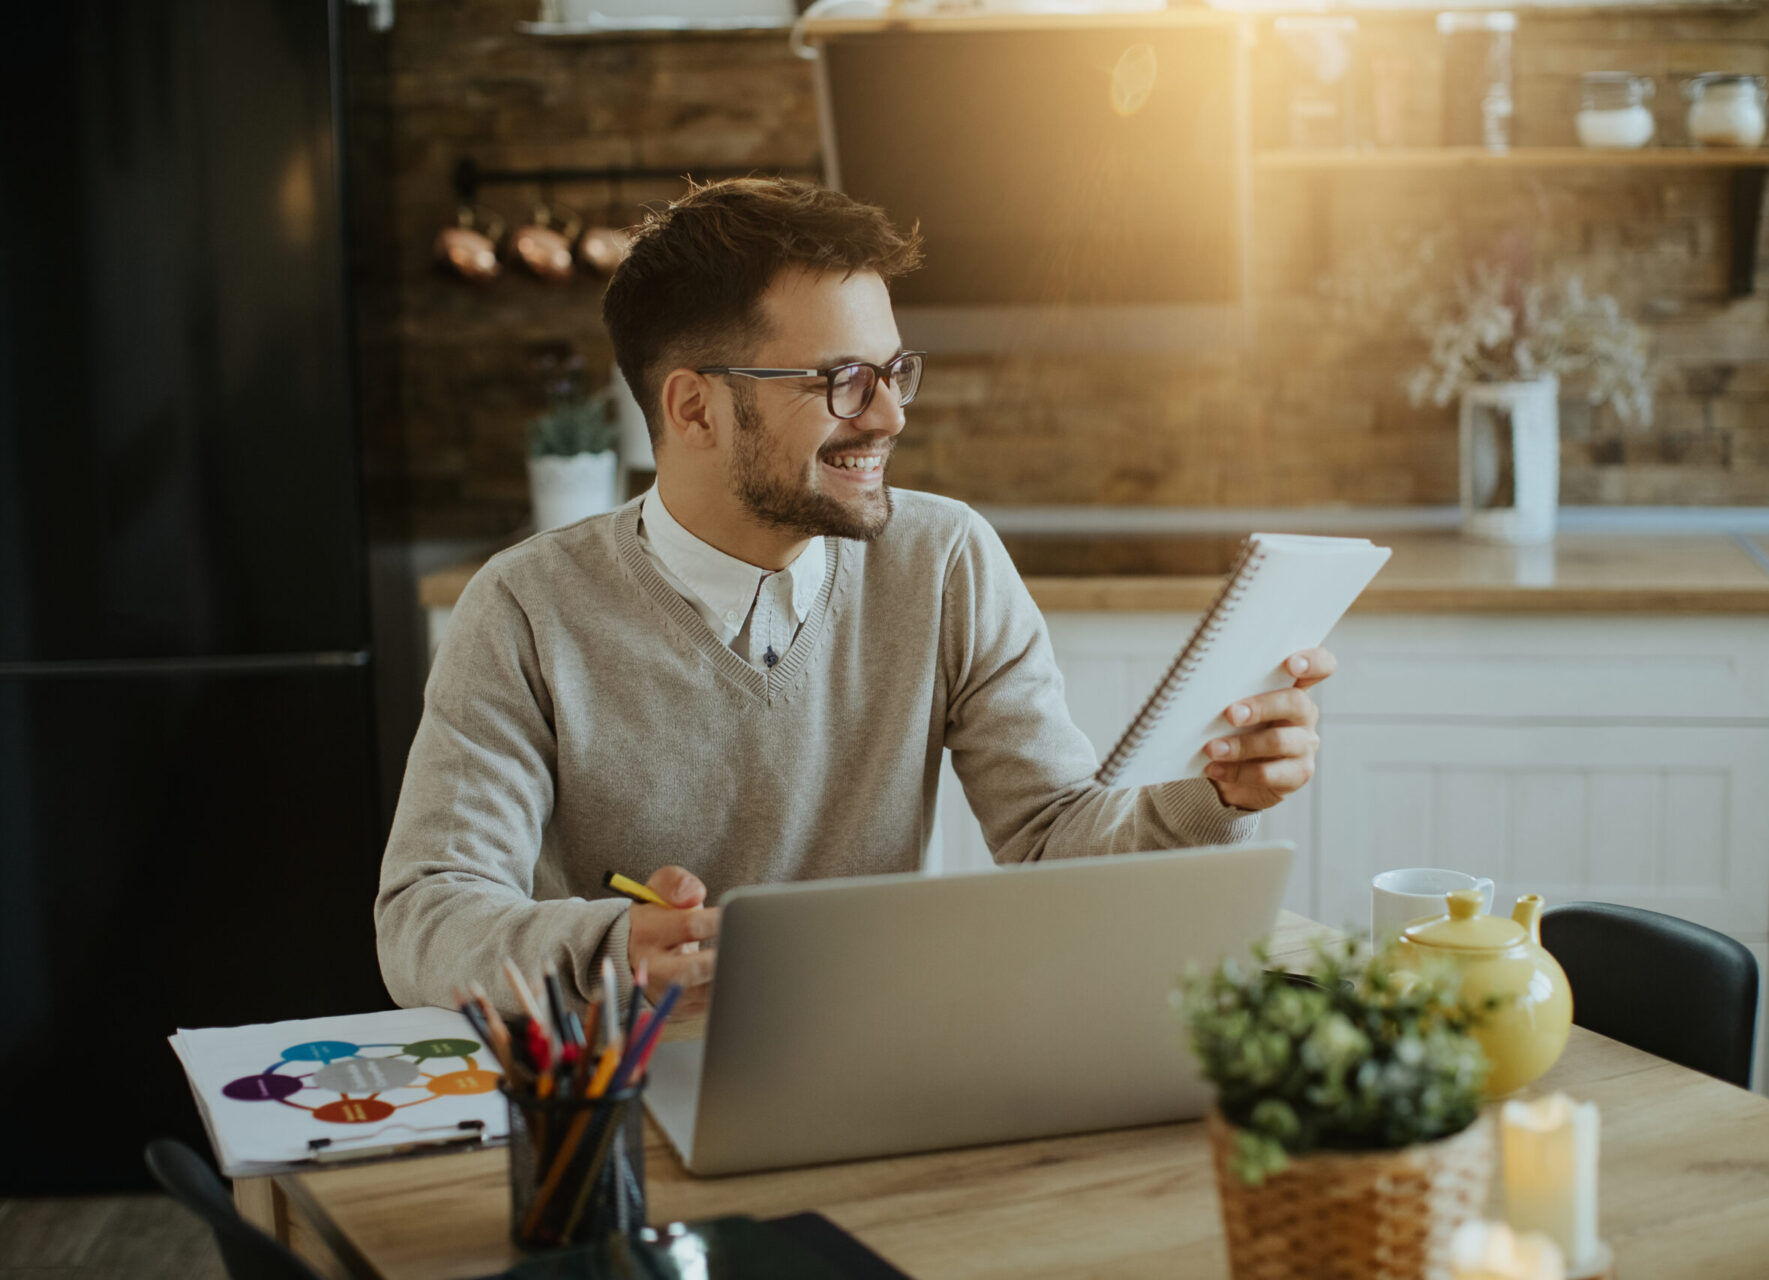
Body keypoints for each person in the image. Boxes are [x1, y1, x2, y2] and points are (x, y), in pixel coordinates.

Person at [375, 178, 1335, 1017]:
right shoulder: (524, 609)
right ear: (695, 407)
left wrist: (1214, 796)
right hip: (621, 1084)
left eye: (892, 370)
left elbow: (1051, 840)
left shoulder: (945, 558)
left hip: (874, 1059)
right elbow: (428, 917)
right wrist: (613, 949)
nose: (889, 414)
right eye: (840, 380)